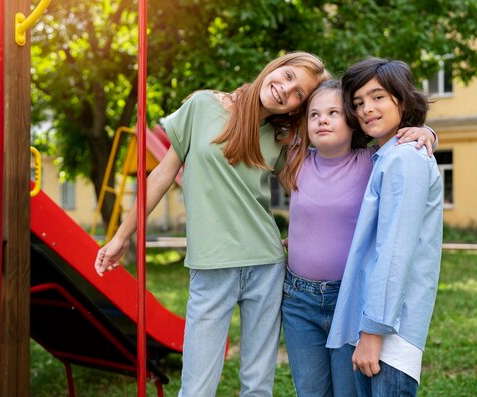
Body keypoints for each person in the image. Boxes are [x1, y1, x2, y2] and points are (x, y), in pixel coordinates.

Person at [94, 51, 330, 397]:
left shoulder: (280, 137)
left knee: (257, 386)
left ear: (297, 109)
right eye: (289, 75)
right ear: (276, 67)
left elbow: (314, 186)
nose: (286, 90)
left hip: (266, 266)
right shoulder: (202, 106)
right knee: (196, 387)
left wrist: (418, 130)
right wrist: (120, 237)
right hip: (210, 266)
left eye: (299, 95)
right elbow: (160, 176)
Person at [281, 79, 436, 397]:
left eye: (334, 112)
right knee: (310, 390)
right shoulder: (296, 160)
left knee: (347, 390)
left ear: (353, 121)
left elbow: (402, 148)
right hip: (298, 300)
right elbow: (266, 121)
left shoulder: (372, 162)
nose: (322, 120)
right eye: (314, 114)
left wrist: (427, 132)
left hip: (348, 298)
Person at [326, 58, 443, 397]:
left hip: (390, 334)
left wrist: (373, 334)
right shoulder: (389, 156)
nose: (366, 109)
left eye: (377, 97)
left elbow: (395, 252)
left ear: (402, 101)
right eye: (359, 102)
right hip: (378, 327)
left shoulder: (404, 159)